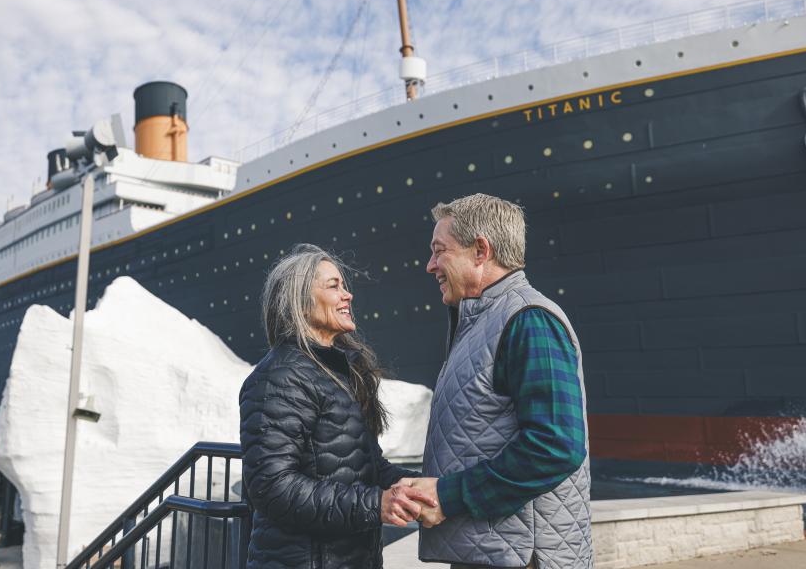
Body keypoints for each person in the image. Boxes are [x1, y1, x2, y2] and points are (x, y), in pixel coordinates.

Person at [401, 194, 593, 569]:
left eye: (439, 251)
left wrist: (448, 496)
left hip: (522, 557)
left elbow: (556, 447)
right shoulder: (482, 322)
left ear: (480, 251)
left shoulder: (529, 320)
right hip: (495, 551)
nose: (430, 266)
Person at [240, 244, 436, 569]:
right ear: (300, 301)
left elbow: (368, 468)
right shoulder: (279, 377)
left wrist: (428, 486)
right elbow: (273, 488)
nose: (348, 295)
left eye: (344, 286)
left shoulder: (337, 372)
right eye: (334, 286)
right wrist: (376, 504)